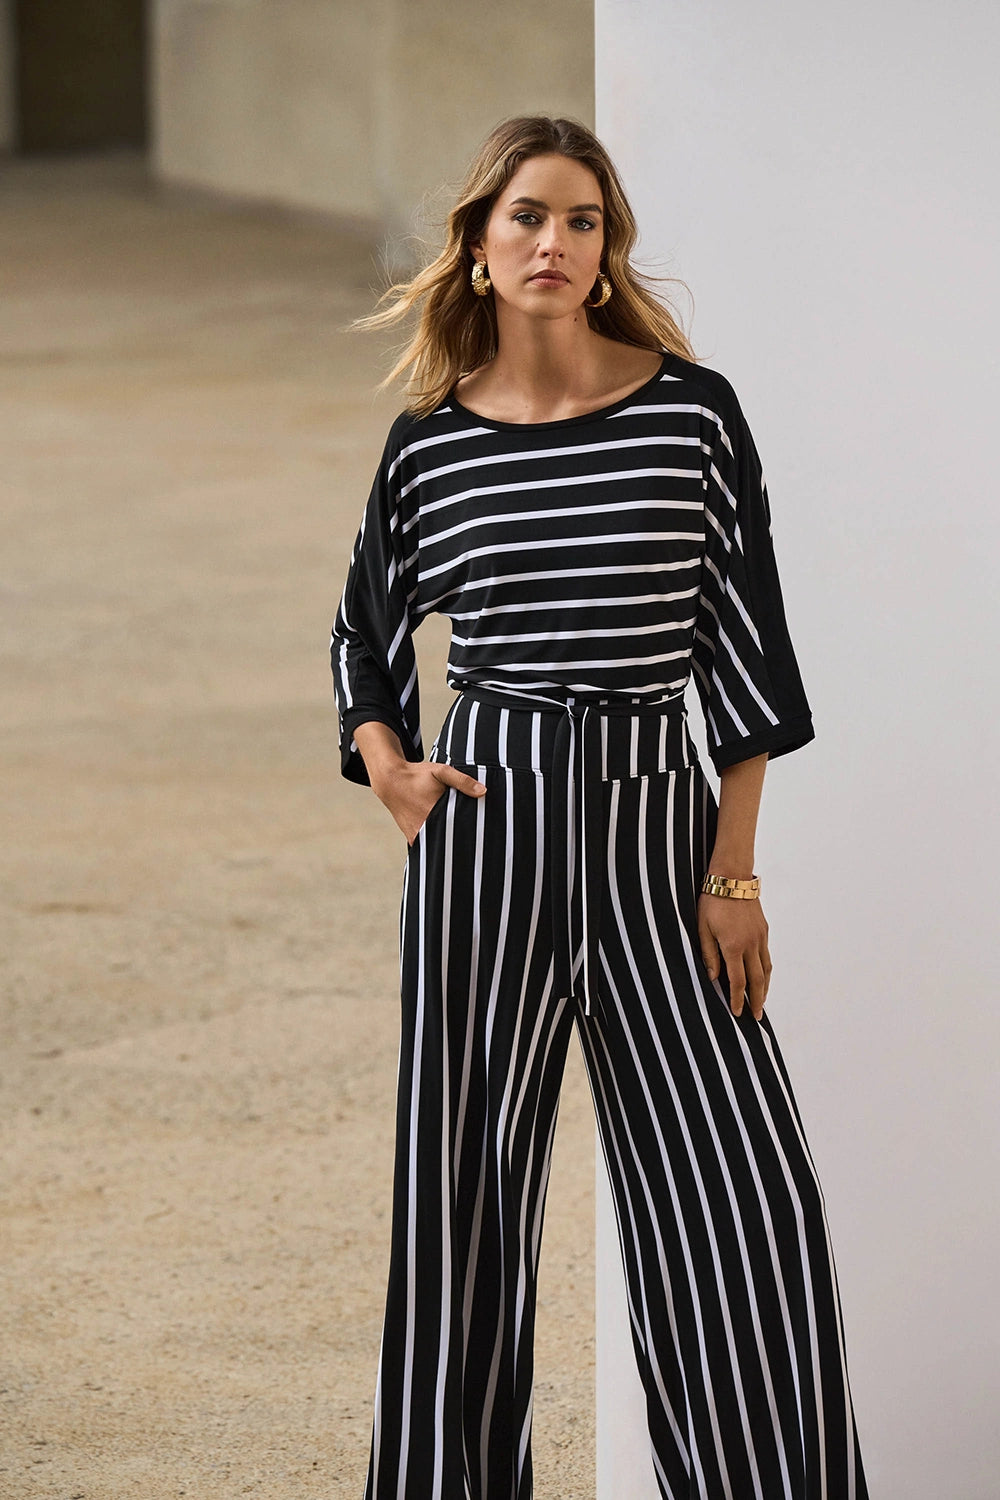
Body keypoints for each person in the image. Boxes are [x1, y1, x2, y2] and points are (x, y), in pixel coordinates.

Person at [330, 115, 868, 1500]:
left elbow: (746, 655)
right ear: (480, 243)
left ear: (608, 246)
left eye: (582, 220)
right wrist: (389, 764)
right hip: (488, 829)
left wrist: (732, 877)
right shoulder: (427, 446)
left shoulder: (693, 415)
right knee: (460, 1216)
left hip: (654, 832)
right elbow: (364, 634)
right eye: (527, 216)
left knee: (741, 1207)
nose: (554, 243)